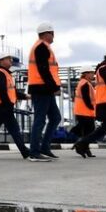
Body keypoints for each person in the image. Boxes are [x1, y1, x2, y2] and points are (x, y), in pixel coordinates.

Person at [27, 22, 62, 161]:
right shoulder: (41, 47)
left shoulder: (44, 47)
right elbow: (43, 69)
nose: (53, 36)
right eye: (52, 34)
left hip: (45, 88)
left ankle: (44, 148)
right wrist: (54, 87)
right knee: (40, 119)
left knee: (55, 117)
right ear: (47, 34)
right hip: (41, 88)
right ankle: (34, 152)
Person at [69, 66, 97, 157]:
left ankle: (84, 148)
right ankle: (80, 146)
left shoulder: (84, 83)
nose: (93, 75)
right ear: (86, 74)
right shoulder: (85, 84)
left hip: (84, 111)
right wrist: (91, 107)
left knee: (87, 132)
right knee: (89, 131)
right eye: (92, 73)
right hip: (85, 111)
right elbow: (86, 98)